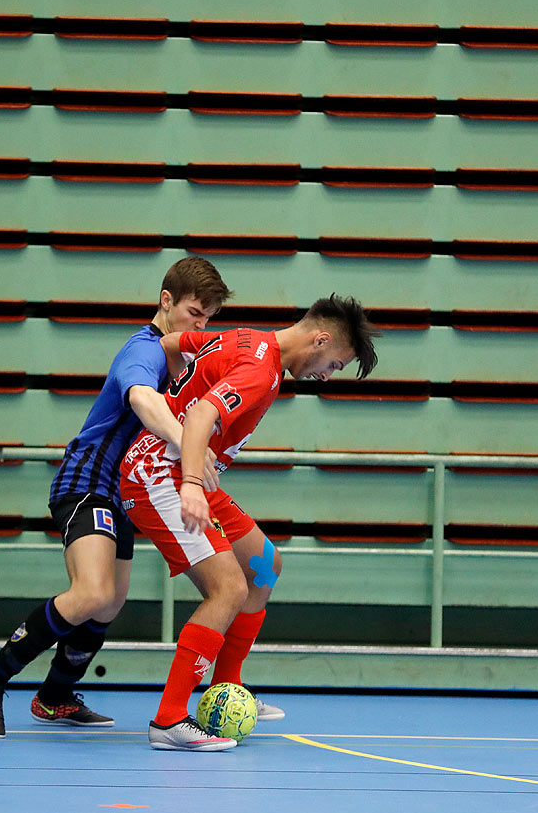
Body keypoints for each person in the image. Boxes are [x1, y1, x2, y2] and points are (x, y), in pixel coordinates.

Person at [0, 258, 232, 737]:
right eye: (195, 312)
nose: (202, 325)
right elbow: (140, 400)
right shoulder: (144, 350)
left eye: (210, 317)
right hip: (89, 479)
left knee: (108, 604)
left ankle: (54, 697)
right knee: (90, 591)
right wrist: (190, 448)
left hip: (126, 490)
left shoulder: (183, 364)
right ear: (166, 301)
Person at [121, 295, 381, 750]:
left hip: (195, 471)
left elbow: (172, 342)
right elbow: (202, 413)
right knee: (229, 588)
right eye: (335, 364)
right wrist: (189, 484)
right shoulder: (260, 373)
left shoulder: (247, 338)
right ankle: (168, 721)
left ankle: (226, 688)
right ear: (320, 339)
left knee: (263, 565)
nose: (327, 375)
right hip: (160, 476)